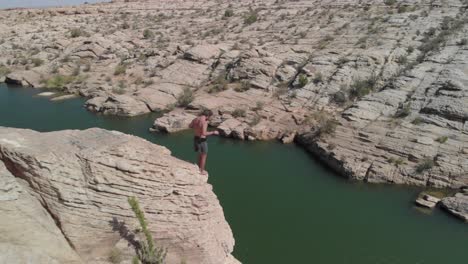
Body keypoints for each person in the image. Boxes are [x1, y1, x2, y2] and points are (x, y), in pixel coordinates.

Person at [189, 109, 219, 175]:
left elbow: (190, 126)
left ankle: (198, 168)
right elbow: (204, 133)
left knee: (199, 154)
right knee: (204, 155)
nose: (210, 118)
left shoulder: (196, 119)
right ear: (208, 115)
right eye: (210, 116)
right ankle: (201, 171)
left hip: (196, 138)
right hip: (201, 140)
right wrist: (213, 132)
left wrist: (197, 128)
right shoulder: (205, 121)